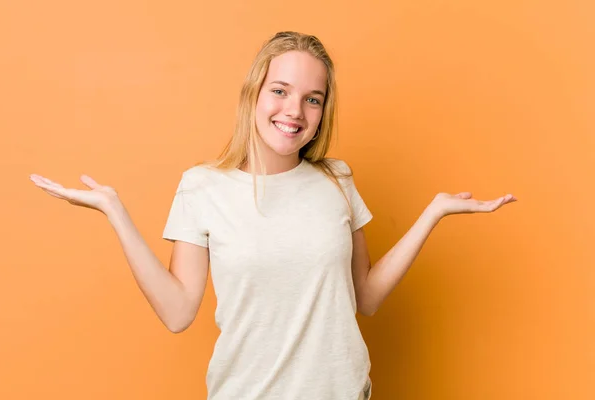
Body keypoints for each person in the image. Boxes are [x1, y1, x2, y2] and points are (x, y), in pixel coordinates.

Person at [29, 31, 517, 400]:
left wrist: (433, 213)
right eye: (280, 91)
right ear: (254, 94)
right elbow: (178, 312)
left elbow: (364, 297)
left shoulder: (336, 180)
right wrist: (115, 212)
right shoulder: (204, 186)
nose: (295, 110)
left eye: (313, 98)